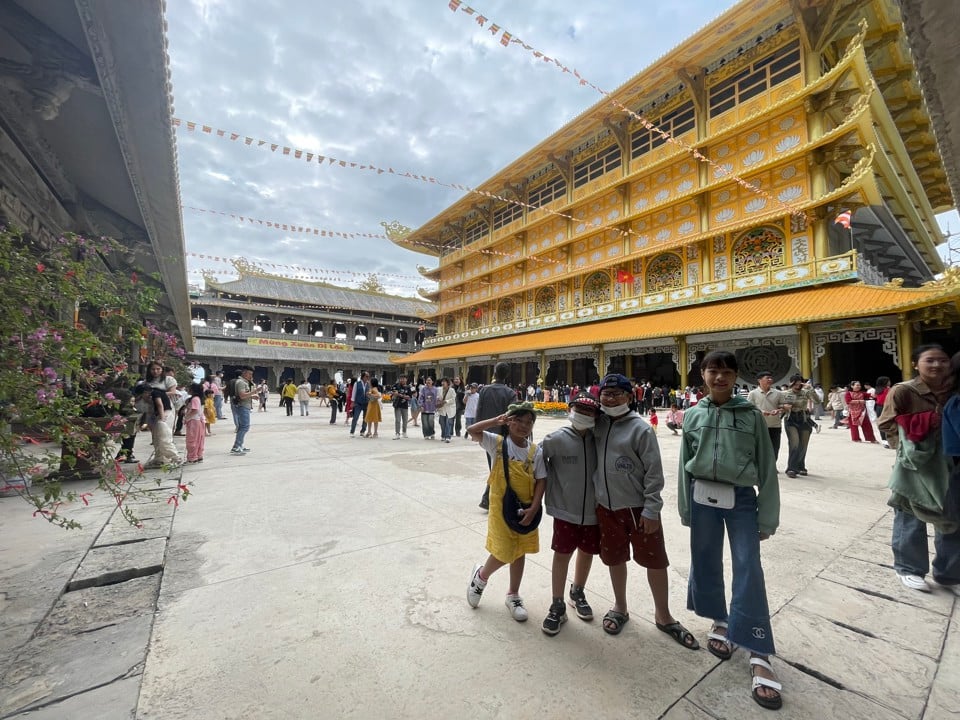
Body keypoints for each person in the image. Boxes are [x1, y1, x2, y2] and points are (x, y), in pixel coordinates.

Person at [678, 350, 782, 711]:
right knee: (705, 560)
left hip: (740, 500)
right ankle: (721, 620)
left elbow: (766, 467)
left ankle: (758, 648)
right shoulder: (692, 415)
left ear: (736, 376)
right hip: (703, 495)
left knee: (748, 567)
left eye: (725, 372)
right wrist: (686, 507)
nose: (719, 377)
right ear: (702, 375)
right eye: (712, 371)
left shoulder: (751, 416)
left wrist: (766, 516)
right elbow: (683, 468)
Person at [592, 373, 698, 650]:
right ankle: (620, 606)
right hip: (606, 506)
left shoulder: (640, 429)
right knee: (615, 559)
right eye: (605, 393)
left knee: (655, 561)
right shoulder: (597, 424)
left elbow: (654, 472)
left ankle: (663, 615)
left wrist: (652, 508)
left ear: (629, 397)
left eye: (616, 393)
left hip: (638, 508)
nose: (610, 398)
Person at [878, 344, 958, 593]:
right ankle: (909, 568)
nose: (937, 365)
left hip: (948, 462)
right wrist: (906, 451)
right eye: (930, 360)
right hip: (914, 465)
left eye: (942, 360)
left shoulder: (953, 391)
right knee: (909, 513)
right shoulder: (904, 391)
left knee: (951, 516)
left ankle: (948, 573)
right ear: (915, 364)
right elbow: (887, 422)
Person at [465, 402, 546, 622]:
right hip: (500, 508)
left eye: (529, 422)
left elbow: (541, 480)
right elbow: (472, 430)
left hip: (525, 508)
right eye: (518, 420)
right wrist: (494, 421)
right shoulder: (497, 444)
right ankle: (480, 578)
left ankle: (513, 594)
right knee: (503, 550)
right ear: (509, 422)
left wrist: (535, 507)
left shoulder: (535, 451)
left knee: (520, 550)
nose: (523, 426)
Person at [540, 392, 601, 635]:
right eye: (580, 410)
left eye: (589, 412)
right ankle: (557, 604)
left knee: (587, 552)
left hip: (593, 510)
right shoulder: (555, 439)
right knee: (562, 554)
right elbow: (536, 461)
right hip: (565, 510)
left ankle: (577, 592)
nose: (584, 415)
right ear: (570, 410)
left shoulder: (599, 439)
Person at [476, 362, 518, 510]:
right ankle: (489, 498)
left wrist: (477, 431)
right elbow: (513, 416)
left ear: (494, 373)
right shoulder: (510, 393)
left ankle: (488, 498)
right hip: (502, 435)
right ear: (507, 375)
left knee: (494, 465)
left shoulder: (484, 390)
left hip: (486, 433)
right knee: (498, 466)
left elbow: (479, 411)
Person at [135, 382, 182, 468]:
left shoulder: (155, 393)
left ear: (145, 392)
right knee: (156, 438)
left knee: (164, 438)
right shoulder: (153, 394)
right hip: (160, 416)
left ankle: (175, 458)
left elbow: (160, 405)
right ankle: (160, 459)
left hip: (165, 415)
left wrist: (162, 418)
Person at [781, 374, 815, 478]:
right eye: (795, 383)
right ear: (791, 383)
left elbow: (817, 401)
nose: (797, 385)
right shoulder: (784, 393)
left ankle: (801, 466)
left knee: (803, 445)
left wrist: (811, 389)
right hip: (791, 419)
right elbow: (778, 405)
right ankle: (791, 468)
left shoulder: (805, 392)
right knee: (794, 443)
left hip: (804, 419)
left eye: (799, 382)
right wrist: (784, 406)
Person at [748, 371, 785, 467]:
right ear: (759, 380)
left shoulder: (778, 393)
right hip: (759, 425)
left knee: (775, 448)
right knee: (761, 448)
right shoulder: (753, 394)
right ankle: (760, 467)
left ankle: (771, 466)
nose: (770, 380)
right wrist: (761, 411)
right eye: (767, 378)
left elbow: (782, 406)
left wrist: (778, 410)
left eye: (771, 378)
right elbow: (749, 408)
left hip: (775, 425)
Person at [230, 366, 256, 455]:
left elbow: (243, 395)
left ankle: (239, 445)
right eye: (249, 374)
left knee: (242, 427)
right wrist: (255, 391)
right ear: (244, 373)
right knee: (245, 427)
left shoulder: (244, 382)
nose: (250, 376)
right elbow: (242, 396)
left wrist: (252, 396)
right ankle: (237, 446)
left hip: (244, 406)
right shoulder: (241, 382)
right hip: (243, 406)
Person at [184, 382, 205, 464]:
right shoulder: (197, 398)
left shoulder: (195, 399)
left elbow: (194, 410)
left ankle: (192, 457)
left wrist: (187, 417)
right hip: (198, 420)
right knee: (198, 439)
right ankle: (198, 455)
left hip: (193, 421)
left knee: (192, 439)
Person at [436, 378, 456, 442]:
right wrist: (438, 399)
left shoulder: (452, 390)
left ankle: (448, 437)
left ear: (448, 383)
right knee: (442, 423)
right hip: (442, 408)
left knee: (448, 423)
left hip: (450, 408)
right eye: (442, 381)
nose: (443, 383)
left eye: (444, 381)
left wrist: (446, 401)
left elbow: (453, 399)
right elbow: (436, 396)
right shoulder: (439, 389)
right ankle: (443, 435)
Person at [349, 372, 369, 437]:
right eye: (366, 376)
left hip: (366, 403)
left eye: (368, 376)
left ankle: (363, 431)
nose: (368, 378)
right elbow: (353, 393)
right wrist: (352, 402)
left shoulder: (368, 384)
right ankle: (352, 432)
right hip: (358, 403)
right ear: (363, 377)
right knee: (355, 418)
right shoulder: (357, 384)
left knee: (365, 418)